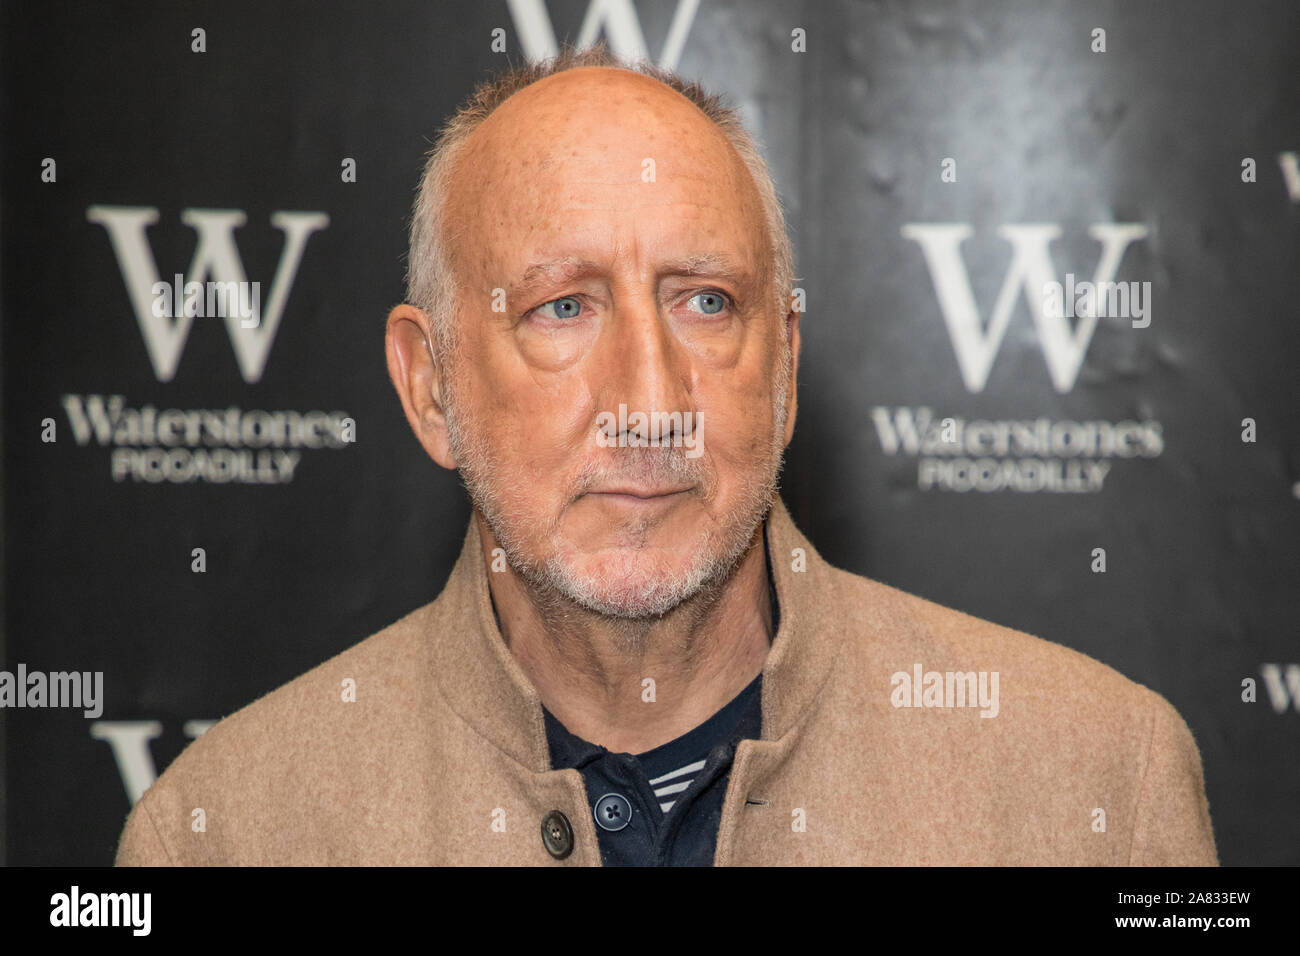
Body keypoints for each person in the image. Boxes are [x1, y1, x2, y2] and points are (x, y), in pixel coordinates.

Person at [115, 46, 1217, 866]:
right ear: (430, 385)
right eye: (559, 307)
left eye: (703, 301)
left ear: (781, 365)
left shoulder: (1099, 785)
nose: (648, 400)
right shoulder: (224, 833)